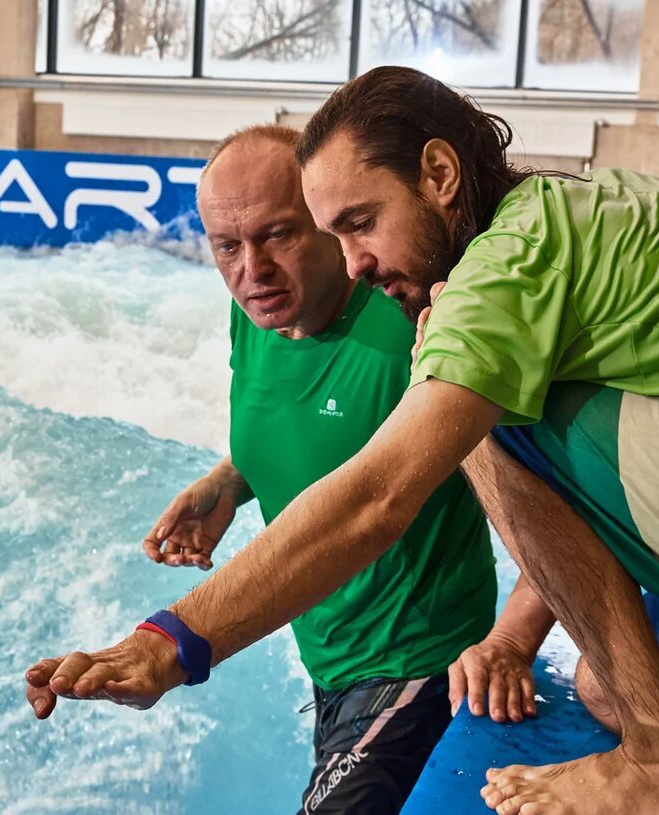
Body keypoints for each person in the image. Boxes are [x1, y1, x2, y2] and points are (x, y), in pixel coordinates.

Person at [26, 66, 659, 815]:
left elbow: (376, 501)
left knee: (482, 416)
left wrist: (168, 643)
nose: (351, 263)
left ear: (439, 173)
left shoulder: (495, 278)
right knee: (607, 682)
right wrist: (231, 478)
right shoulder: (570, 215)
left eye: (357, 223)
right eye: (331, 234)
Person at [137, 123, 545, 813]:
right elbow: (318, 423)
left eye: (278, 235)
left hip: (418, 668)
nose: (251, 270)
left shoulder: (414, 323)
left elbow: (559, 500)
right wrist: (229, 481)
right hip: (331, 667)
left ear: (330, 220)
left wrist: (511, 638)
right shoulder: (257, 317)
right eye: (227, 246)